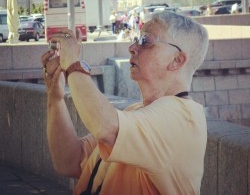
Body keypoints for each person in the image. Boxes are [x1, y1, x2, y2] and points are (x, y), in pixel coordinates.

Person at [41, 10, 209, 195]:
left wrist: (74, 65)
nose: (132, 47)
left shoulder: (182, 118)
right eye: (137, 39)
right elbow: (70, 162)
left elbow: (106, 129)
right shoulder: (136, 112)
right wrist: (55, 97)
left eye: (145, 41)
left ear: (177, 60)